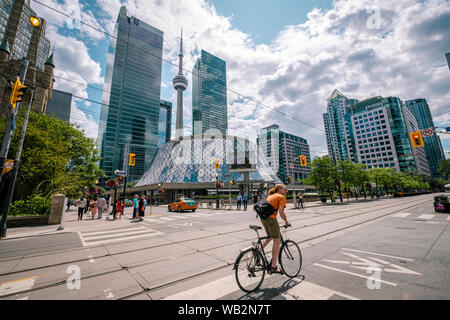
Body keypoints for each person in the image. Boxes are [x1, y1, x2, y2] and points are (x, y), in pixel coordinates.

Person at [260, 184, 291, 274]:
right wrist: (286, 222)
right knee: (277, 241)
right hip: (271, 219)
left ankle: (257, 253)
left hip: (263, 218)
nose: (286, 191)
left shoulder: (270, 196)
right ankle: (273, 266)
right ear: (280, 189)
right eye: (285, 189)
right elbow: (281, 212)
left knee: (270, 237)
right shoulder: (281, 197)